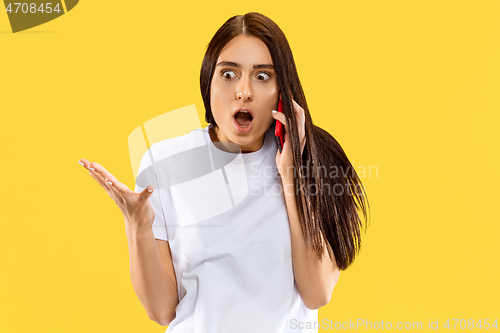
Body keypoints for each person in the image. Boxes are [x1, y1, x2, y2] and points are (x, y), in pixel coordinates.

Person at [78, 12, 369, 333]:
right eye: (228, 74)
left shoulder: (311, 158)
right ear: (209, 83)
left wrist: (292, 175)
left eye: (262, 77)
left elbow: (317, 293)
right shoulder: (166, 161)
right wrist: (138, 225)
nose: (243, 91)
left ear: (282, 91)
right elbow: (162, 311)